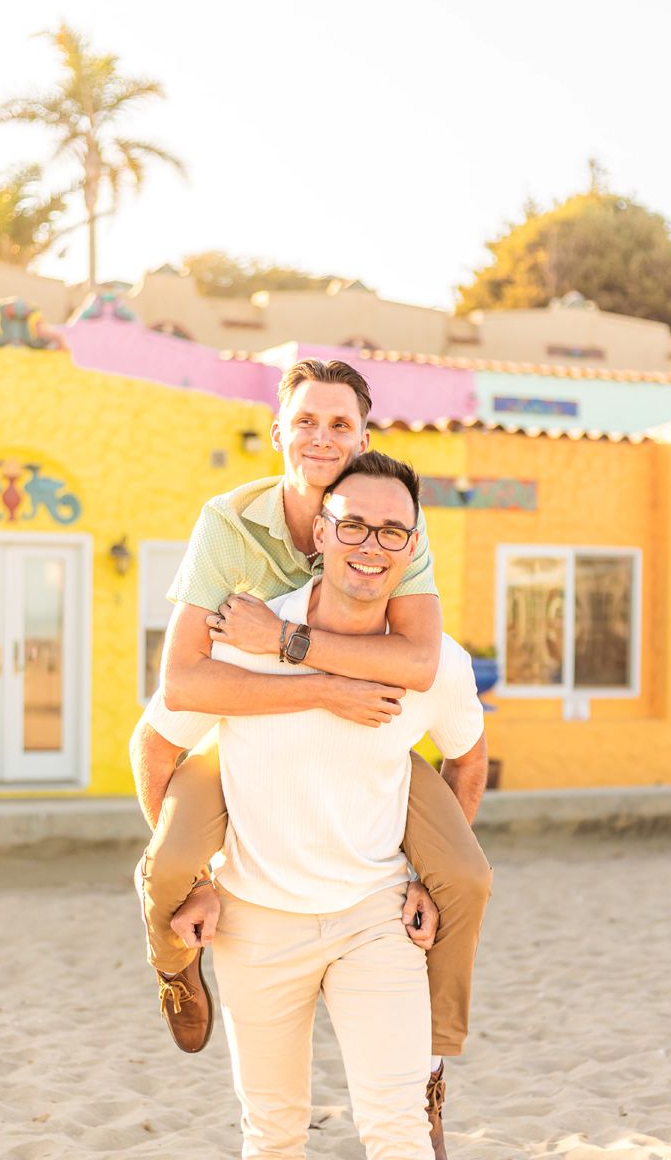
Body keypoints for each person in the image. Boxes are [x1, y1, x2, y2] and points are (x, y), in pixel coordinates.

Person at [133, 359, 493, 1154]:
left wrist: (418, 878)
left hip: (373, 911)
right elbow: (173, 703)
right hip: (254, 869)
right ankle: (171, 958)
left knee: (463, 876)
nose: (372, 544)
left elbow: (431, 678)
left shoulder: (399, 532)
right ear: (278, 436)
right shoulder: (232, 542)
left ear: (365, 439)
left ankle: (433, 1057)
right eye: (306, 421)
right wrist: (318, 682)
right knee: (169, 872)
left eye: (340, 425)